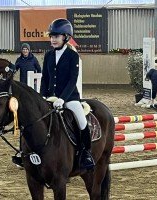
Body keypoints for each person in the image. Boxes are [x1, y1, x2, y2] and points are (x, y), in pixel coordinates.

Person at [40, 18, 95, 170]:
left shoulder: (72, 56)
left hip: (69, 98)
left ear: (66, 37)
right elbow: (45, 78)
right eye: (51, 36)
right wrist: (42, 96)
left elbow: (72, 81)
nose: (53, 39)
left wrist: (63, 99)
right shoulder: (48, 56)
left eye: (56, 36)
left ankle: (86, 153)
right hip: (50, 97)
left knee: (81, 120)